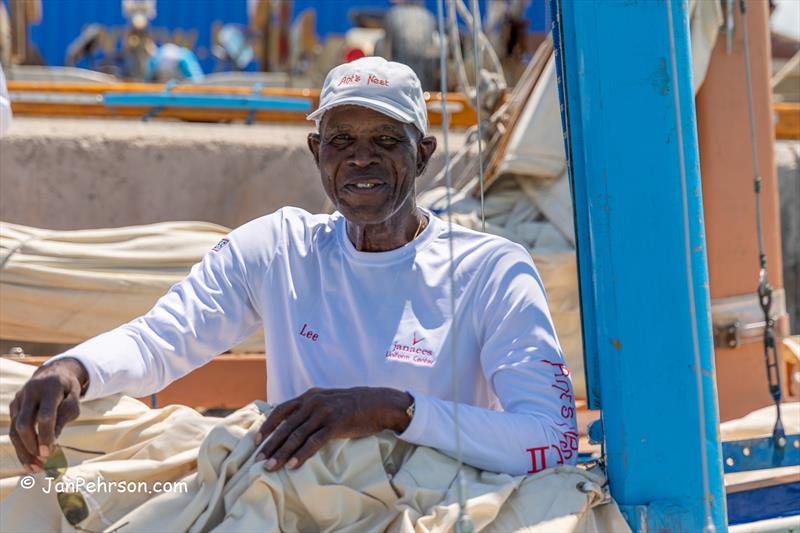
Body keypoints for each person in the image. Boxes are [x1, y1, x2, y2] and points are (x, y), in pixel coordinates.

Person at [8, 57, 577, 477]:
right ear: (315, 152)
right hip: (297, 505)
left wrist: (390, 410)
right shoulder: (278, 249)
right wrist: (73, 369)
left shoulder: (492, 271)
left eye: (385, 140)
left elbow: (552, 438)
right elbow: (162, 339)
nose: (361, 157)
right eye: (341, 140)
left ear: (423, 155)